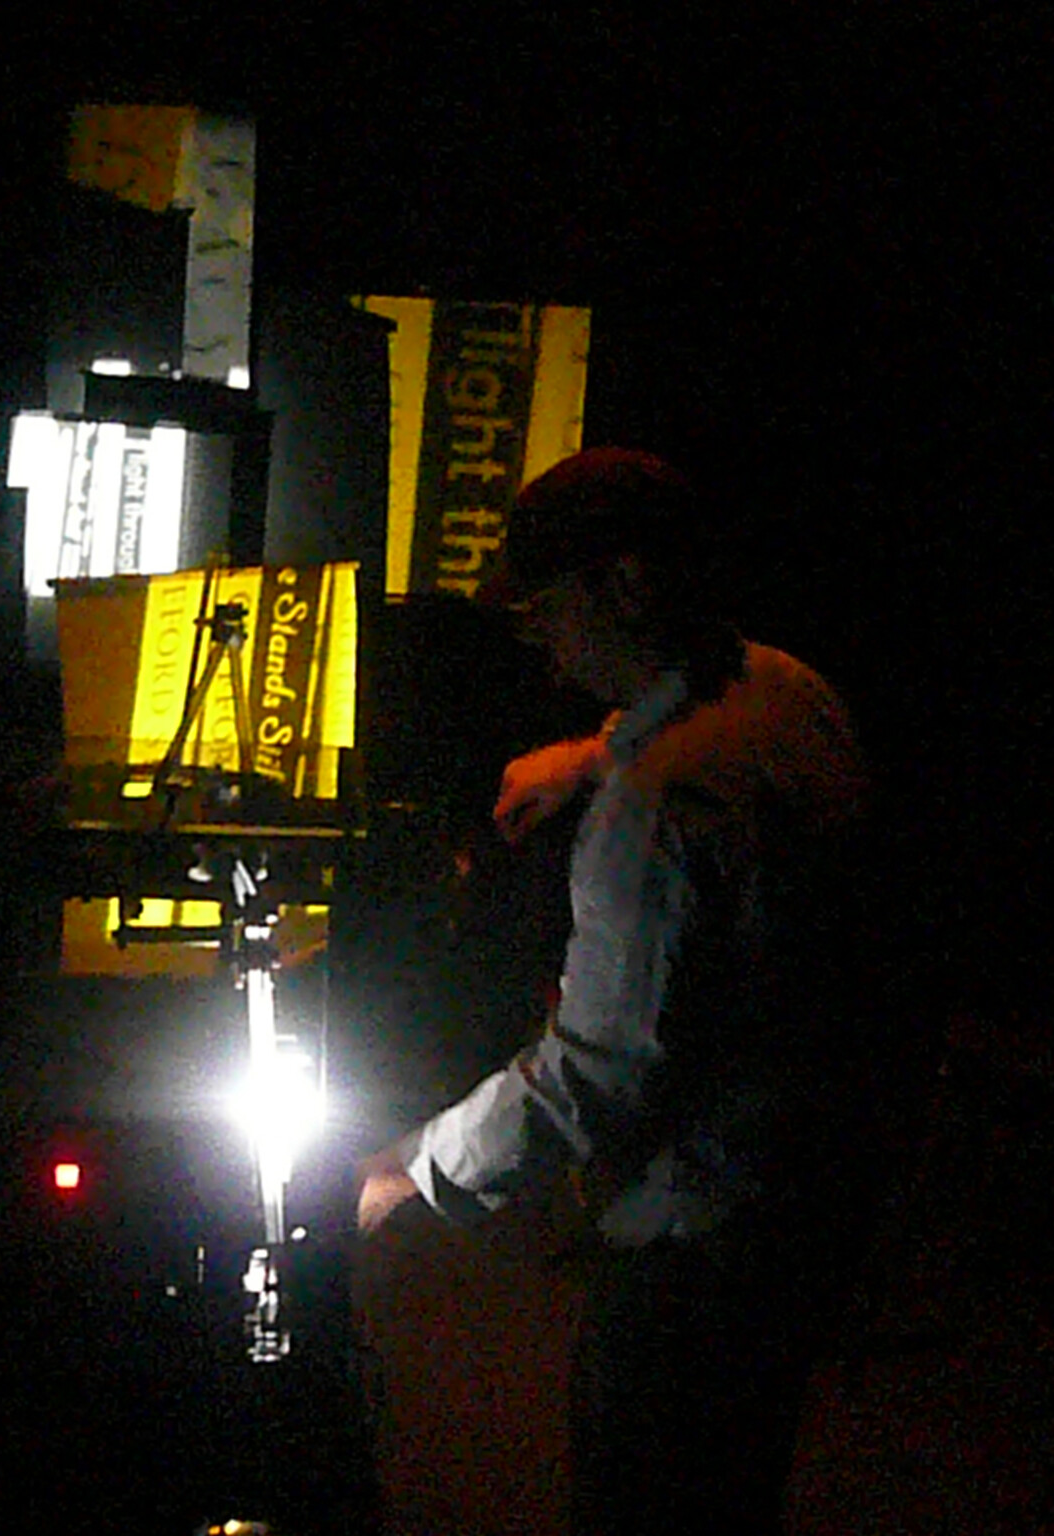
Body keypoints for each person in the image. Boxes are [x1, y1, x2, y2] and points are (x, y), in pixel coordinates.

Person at [356, 447, 879, 1533]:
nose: (537, 639)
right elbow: (709, 727)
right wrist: (589, 755)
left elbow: (593, 1077)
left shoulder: (651, 814)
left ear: (624, 586)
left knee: (647, 1493)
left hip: (694, 1247)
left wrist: (413, 1170)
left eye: (544, 607)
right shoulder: (790, 689)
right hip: (806, 1205)